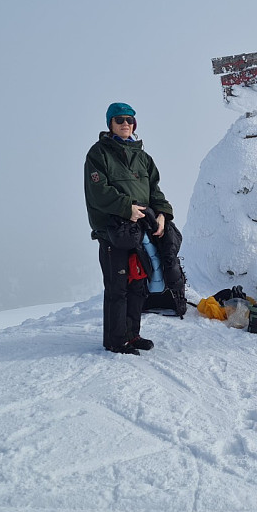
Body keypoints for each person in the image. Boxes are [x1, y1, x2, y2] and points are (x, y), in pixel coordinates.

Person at [85, 102, 173, 355]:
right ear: (110, 124)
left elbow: (155, 191)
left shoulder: (143, 157)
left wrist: (163, 215)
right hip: (114, 231)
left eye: (130, 119)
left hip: (141, 230)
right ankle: (115, 341)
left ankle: (132, 335)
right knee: (118, 285)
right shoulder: (99, 153)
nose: (126, 123)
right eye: (120, 119)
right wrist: (127, 208)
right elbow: (98, 192)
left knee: (137, 283)